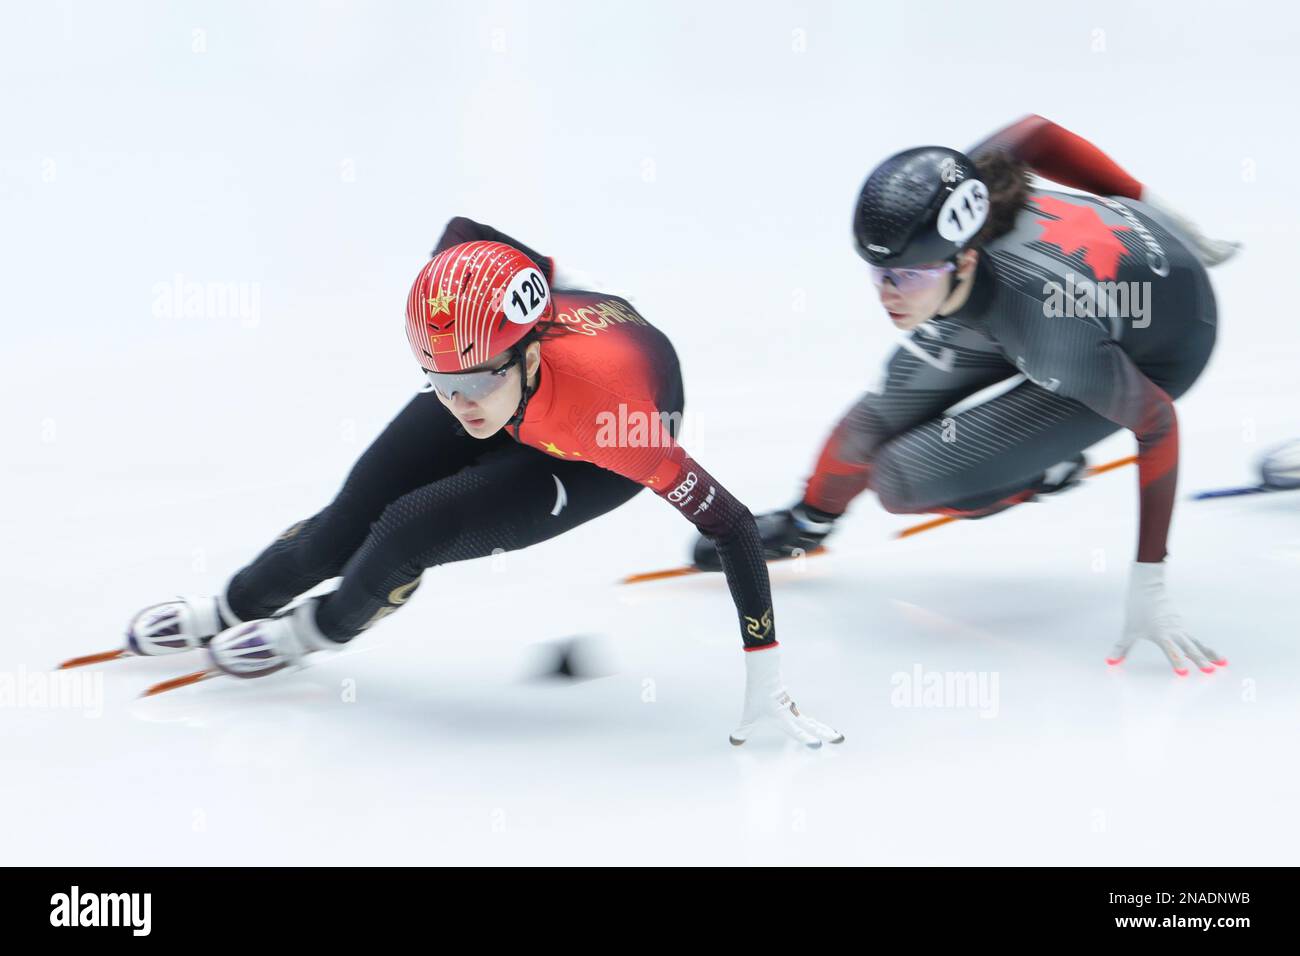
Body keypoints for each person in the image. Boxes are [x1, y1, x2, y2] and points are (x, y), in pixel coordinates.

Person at [124, 219, 842, 747]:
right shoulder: (470, 348)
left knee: (409, 527)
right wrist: (469, 367)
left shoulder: (613, 422)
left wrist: (763, 674)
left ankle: (315, 631)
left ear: (530, 350)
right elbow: (472, 242)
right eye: (439, 383)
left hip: (581, 453)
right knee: (344, 522)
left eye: (473, 383)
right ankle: (228, 605)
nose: (461, 402)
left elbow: (734, 524)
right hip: (524, 378)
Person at [694, 115, 1238, 676]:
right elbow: (1037, 133)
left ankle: (1042, 471)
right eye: (878, 273)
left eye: (907, 277)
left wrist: (1150, 576)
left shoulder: (1050, 336)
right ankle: (809, 524)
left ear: (966, 259)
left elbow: (1158, 423)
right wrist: (1149, 203)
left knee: (902, 479)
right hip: (1057, 293)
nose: (887, 295)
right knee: (875, 418)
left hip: (1152, 345)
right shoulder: (953, 191)